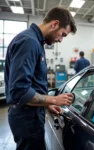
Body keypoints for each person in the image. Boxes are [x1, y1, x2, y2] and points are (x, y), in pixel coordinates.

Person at [4, 7, 77, 150]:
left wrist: (47, 105)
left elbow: (32, 85)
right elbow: (20, 92)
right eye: (63, 34)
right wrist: (54, 99)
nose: (61, 40)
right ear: (54, 24)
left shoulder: (35, 42)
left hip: (31, 114)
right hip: (26, 118)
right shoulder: (29, 42)